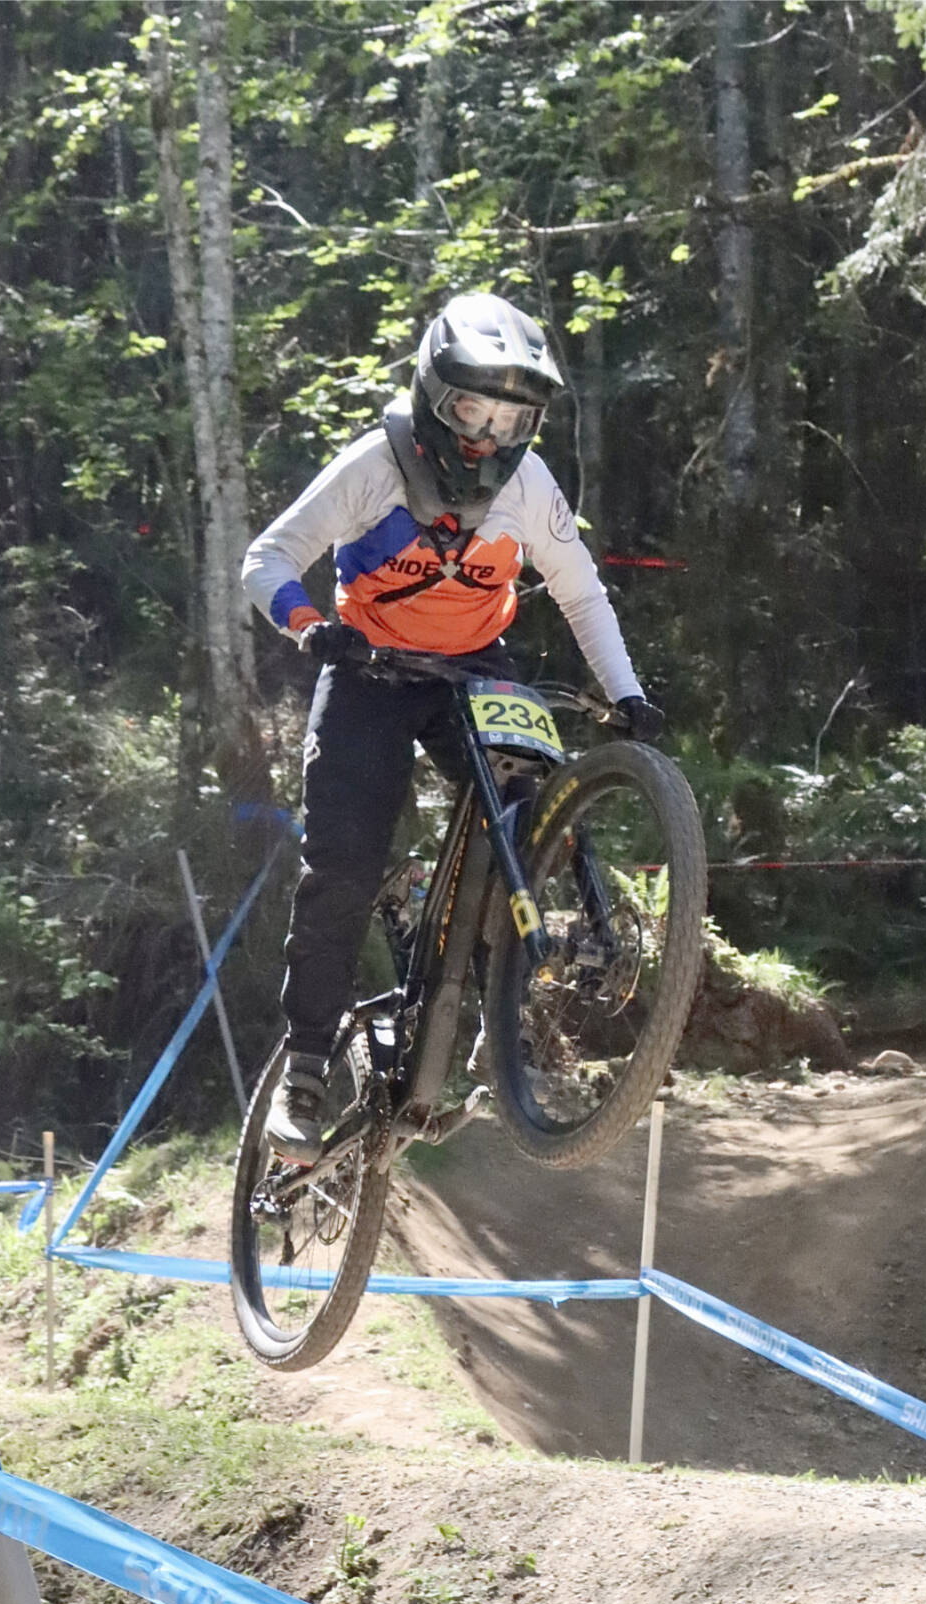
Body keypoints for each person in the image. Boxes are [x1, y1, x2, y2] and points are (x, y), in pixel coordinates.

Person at [241, 292, 662, 1164]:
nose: (489, 435)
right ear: (435, 394)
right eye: (473, 407)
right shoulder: (374, 464)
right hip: (371, 672)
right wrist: (312, 628)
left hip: (476, 667)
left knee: (527, 816)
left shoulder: (530, 485)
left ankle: (494, 1026)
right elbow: (268, 559)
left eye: (513, 416)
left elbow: (581, 592)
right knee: (342, 864)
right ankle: (308, 1069)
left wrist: (626, 694)